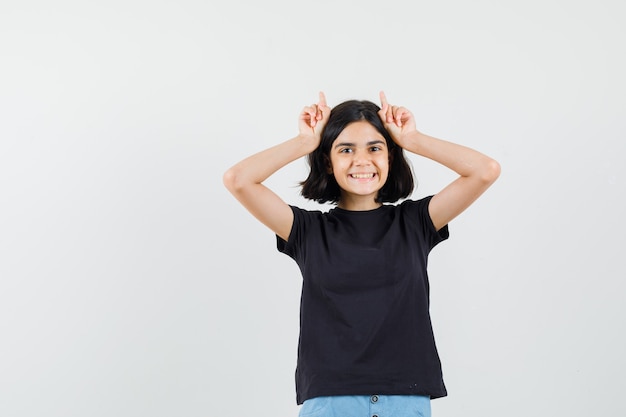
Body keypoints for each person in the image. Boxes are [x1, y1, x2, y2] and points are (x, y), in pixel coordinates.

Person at [223, 91, 500, 417]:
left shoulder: (415, 223)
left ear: (390, 158)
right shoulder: (307, 231)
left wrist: (413, 138)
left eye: (374, 148)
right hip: (330, 401)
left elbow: (485, 170)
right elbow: (238, 180)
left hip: (405, 399)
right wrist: (304, 142)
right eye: (345, 149)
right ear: (328, 160)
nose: (361, 160)